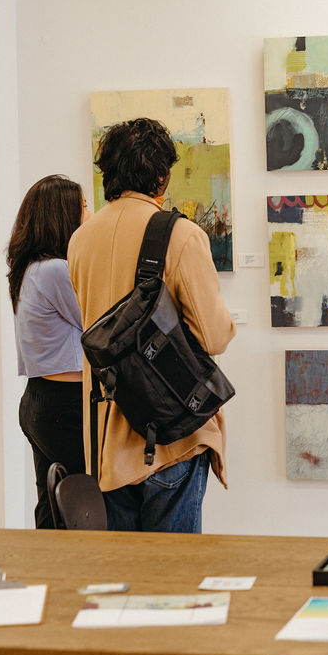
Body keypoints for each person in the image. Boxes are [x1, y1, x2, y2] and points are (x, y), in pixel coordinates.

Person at [68, 117, 235, 533]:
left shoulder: (80, 239)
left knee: (124, 579)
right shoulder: (181, 235)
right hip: (169, 437)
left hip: (107, 435)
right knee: (173, 580)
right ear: (161, 175)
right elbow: (214, 336)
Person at [7, 174, 92, 529]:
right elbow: (94, 321)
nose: (90, 212)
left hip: (39, 400)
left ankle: (48, 577)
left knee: (50, 505)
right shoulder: (57, 270)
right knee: (81, 503)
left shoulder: (29, 269)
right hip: (64, 402)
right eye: (84, 205)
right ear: (64, 215)